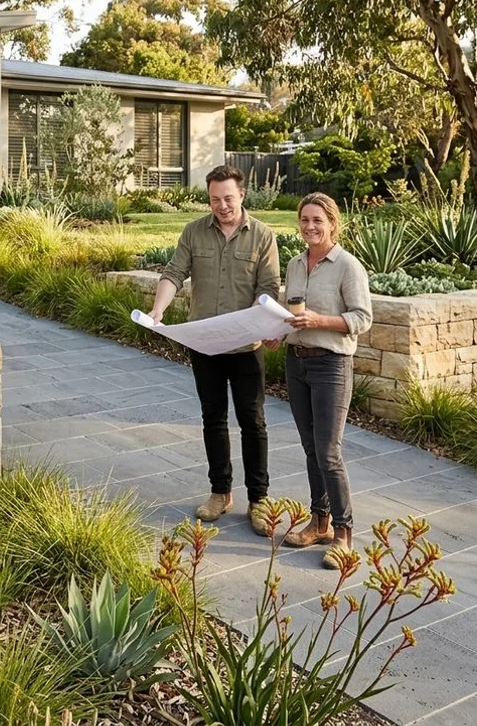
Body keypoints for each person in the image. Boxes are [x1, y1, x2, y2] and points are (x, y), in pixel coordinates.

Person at [149, 165, 280, 535]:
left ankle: (259, 499)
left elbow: (268, 288)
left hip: (245, 346)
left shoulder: (263, 237)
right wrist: (159, 310)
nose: (221, 205)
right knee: (213, 419)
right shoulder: (194, 231)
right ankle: (220, 492)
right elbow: (174, 273)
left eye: (227, 198)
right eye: (214, 199)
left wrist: (265, 321)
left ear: (242, 195)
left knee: (253, 422)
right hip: (204, 345)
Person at [276, 192, 372, 567]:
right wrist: (279, 330)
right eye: (304, 220)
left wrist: (319, 321)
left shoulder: (348, 266)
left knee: (329, 452)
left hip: (332, 364)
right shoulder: (295, 264)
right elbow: (293, 310)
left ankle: (345, 535)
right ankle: (320, 523)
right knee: (310, 447)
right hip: (296, 363)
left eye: (318, 220)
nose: (310, 227)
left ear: (333, 223)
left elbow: (362, 319)